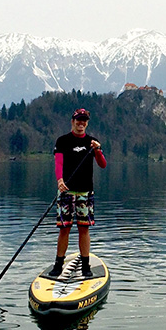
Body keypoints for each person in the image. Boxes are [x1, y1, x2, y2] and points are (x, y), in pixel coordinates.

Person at [50, 108, 107, 278]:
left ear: (87, 123)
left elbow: (102, 164)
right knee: (64, 229)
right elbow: (58, 163)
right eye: (78, 120)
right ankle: (58, 265)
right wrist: (60, 181)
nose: (81, 123)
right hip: (66, 191)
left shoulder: (92, 142)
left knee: (84, 229)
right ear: (72, 121)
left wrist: (98, 150)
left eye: (84, 120)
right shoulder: (62, 141)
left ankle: (85, 267)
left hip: (85, 192)